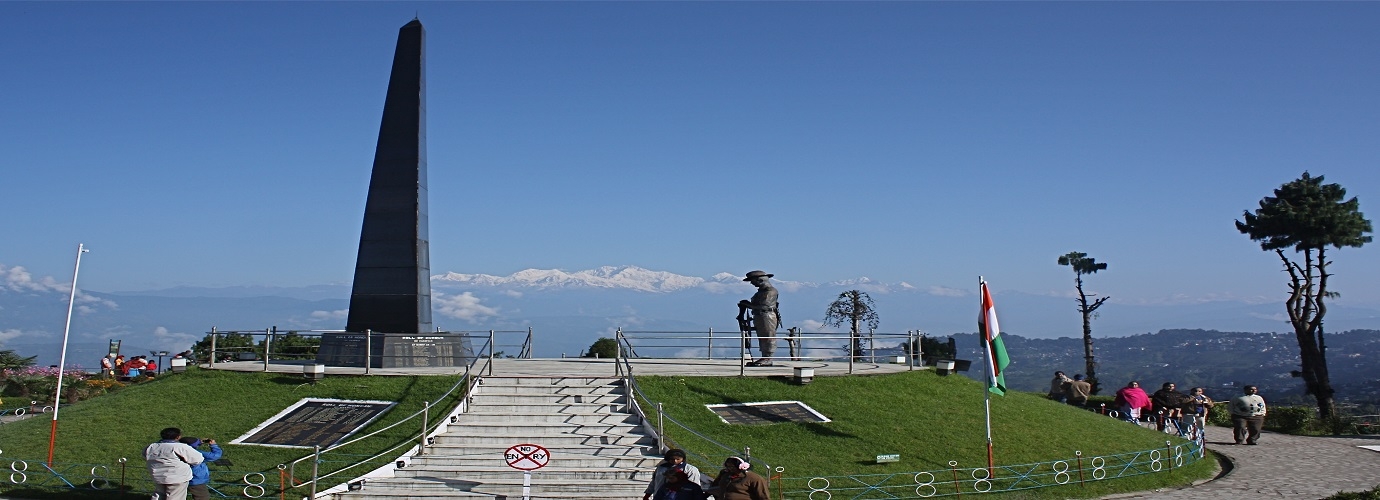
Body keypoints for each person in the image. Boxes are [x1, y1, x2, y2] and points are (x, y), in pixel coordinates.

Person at [145, 427, 204, 500]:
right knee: (175, 497)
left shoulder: (151, 446)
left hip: (158, 476)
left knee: (159, 496)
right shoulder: (181, 447)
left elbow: (145, 455)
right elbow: (198, 459)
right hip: (178, 477)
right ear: (178, 437)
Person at [736, 270, 780, 367]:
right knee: (763, 336)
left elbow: (764, 306)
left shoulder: (770, 292)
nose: (752, 283)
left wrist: (748, 304)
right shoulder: (761, 292)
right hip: (760, 316)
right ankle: (765, 356)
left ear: (760, 280)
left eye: (753, 281)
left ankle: (768, 357)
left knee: (768, 336)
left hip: (767, 316)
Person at [704, 456, 770, 500]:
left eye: (732, 467)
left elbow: (763, 496)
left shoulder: (754, 478)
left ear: (740, 466)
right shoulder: (725, 473)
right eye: (728, 466)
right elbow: (715, 486)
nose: (729, 469)